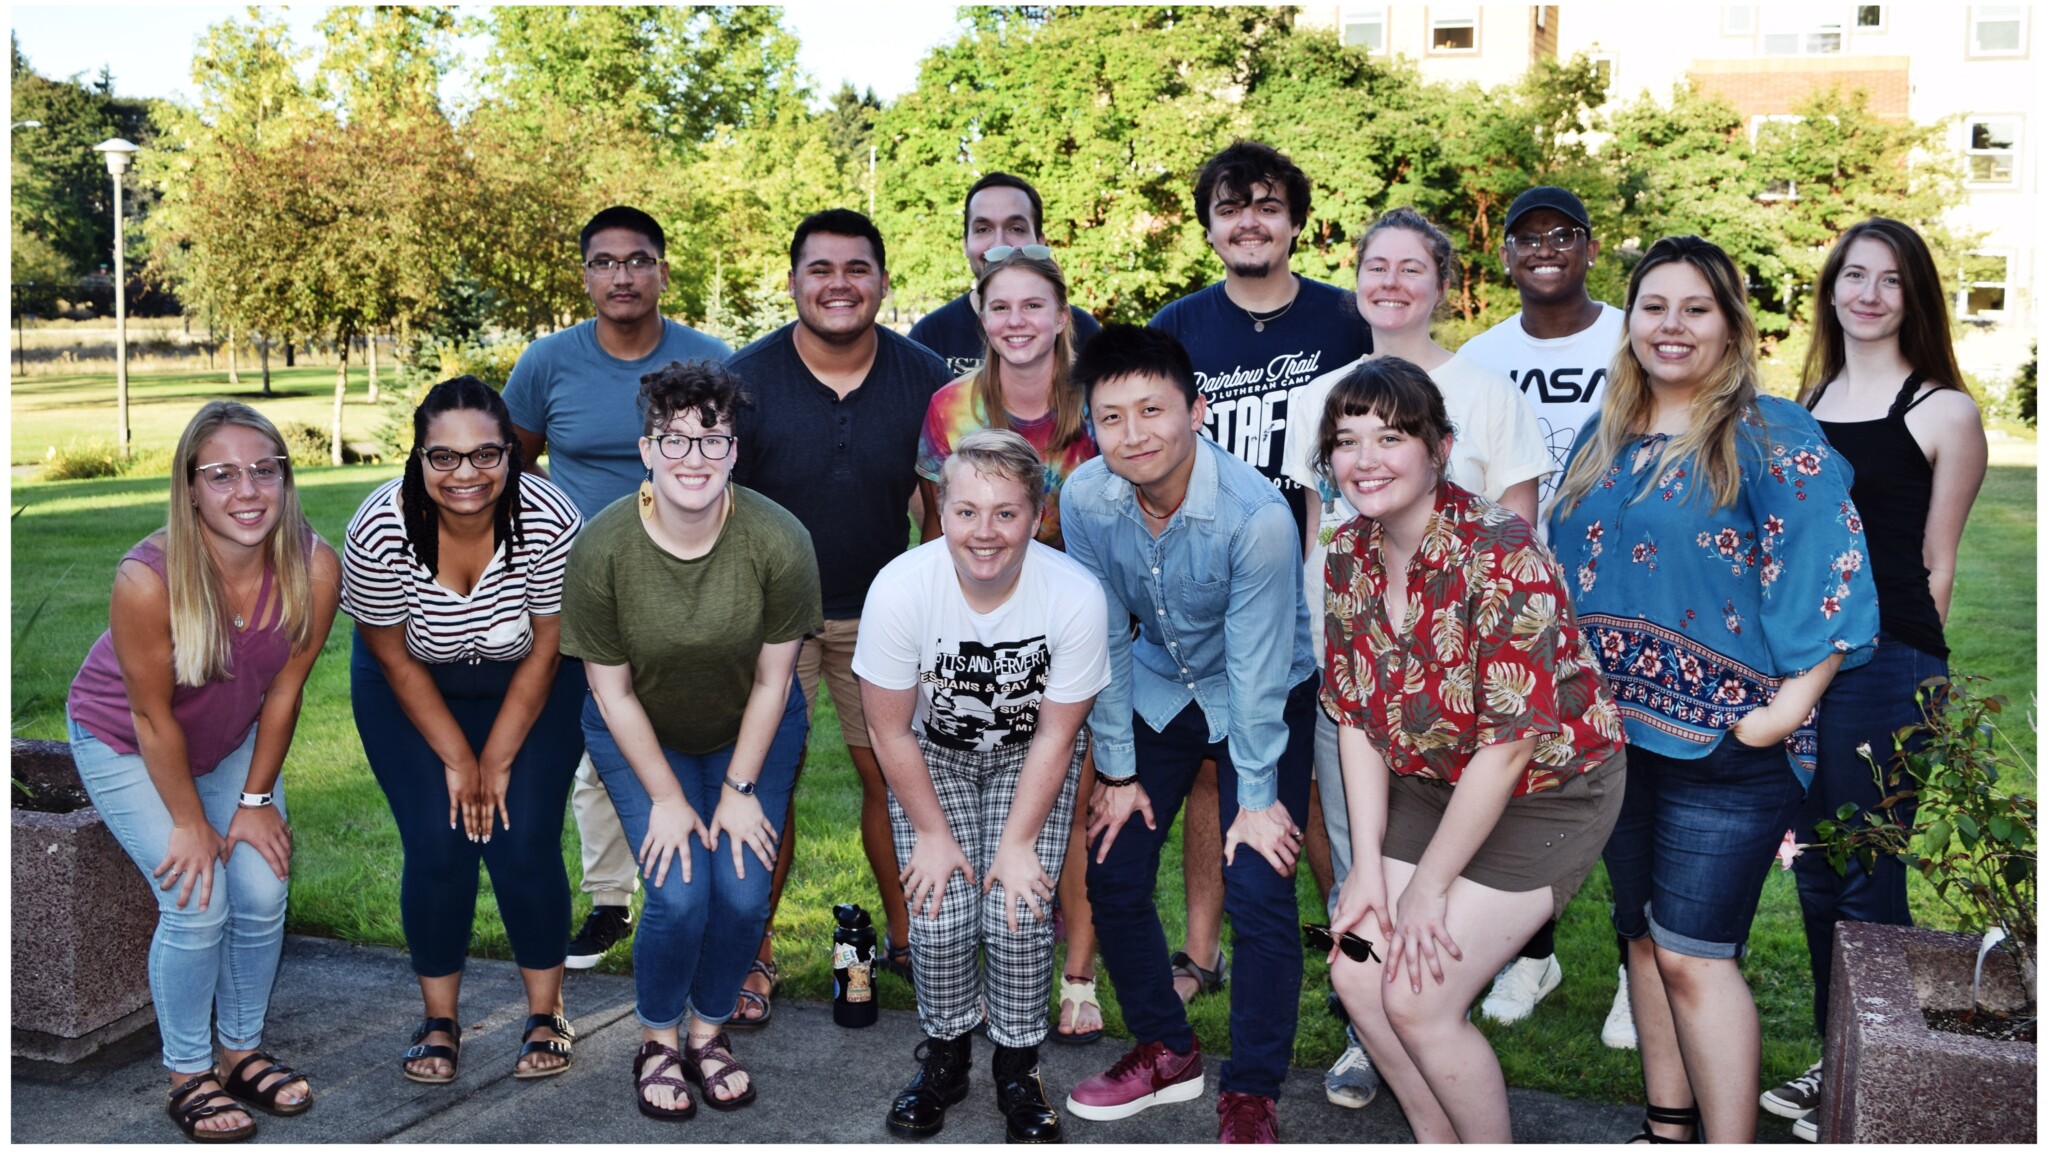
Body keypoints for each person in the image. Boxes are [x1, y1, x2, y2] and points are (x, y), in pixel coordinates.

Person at [1548, 236, 1879, 1144]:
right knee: (1645, 944)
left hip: (1725, 749)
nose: (1672, 326)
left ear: (1730, 324)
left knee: (1696, 957)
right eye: (1655, 306)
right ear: (1631, 320)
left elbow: (1832, 574)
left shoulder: (1772, 433)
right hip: (1614, 747)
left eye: (1696, 308)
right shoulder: (1601, 433)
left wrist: (1783, 713)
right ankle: (1668, 1126)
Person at [1316, 356, 1626, 1143]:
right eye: (1347, 441)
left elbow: (1512, 744)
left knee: (1419, 998)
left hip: (1548, 788)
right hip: (1430, 776)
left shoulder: (1502, 551)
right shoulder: (1349, 551)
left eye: (1390, 437)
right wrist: (1365, 866)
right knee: (1357, 973)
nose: (1366, 460)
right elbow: (1354, 714)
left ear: (1440, 448)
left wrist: (1426, 889)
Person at [1280, 206, 1549, 1106]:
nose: (1390, 282)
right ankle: (1373, 1027)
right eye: (1375, 266)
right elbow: (1323, 527)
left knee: (1435, 897)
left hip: (1475, 693)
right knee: (1361, 857)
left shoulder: (1487, 394)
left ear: (1442, 283)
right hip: (1362, 661)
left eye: (1412, 267)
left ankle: (1429, 998)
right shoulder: (1326, 397)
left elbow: (1519, 528)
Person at [1060, 324, 1319, 1143]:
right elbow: (1100, 630)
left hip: (1268, 688)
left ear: (1197, 411)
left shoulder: (1258, 516)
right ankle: (1168, 1049)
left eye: (1152, 410)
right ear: (1091, 426)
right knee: (1115, 866)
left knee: (1259, 880)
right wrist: (1119, 768)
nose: (1132, 434)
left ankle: (1253, 1090)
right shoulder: (1084, 496)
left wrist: (1255, 799)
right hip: (1162, 682)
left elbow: (1254, 674)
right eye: (1111, 417)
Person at [1763, 217, 1987, 1140]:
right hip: (1802, 666)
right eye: (1852, 276)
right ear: (1831, 290)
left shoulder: (1943, 412)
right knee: (1817, 869)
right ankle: (1843, 1055)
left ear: (1914, 296)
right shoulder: (1802, 405)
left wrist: (1902, 675)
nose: (1867, 294)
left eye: (1889, 280)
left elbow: (1937, 566)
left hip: (1889, 661)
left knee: (1862, 867)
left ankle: (1870, 1070)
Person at [65, 400, 340, 1142]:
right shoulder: (147, 580)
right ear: (190, 489)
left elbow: (286, 689)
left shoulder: (314, 567)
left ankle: (240, 1051)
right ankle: (188, 1073)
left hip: (229, 744)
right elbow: (153, 719)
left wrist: (253, 801)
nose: (246, 492)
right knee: (198, 895)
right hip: (125, 739)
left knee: (261, 882)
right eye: (221, 475)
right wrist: (190, 823)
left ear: (285, 480)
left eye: (264, 471)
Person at [1146, 138, 1372, 1030]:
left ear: (1295, 221)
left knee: (1317, 776)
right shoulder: (1181, 326)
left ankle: (1355, 942)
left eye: (1268, 205)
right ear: (1209, 227)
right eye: (1231, 207)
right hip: (1206, 577)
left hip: (1318, 580)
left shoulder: (1346, 321)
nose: (1250, 221)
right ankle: (1203, 950)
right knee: (1212, 772)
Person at [560, 359, 821, 1119]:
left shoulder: (779, 539)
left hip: (754, 728)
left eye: (713, 441)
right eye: (674, 442)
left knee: (741, 892)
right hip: (639, 729)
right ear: (645, 450)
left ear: (735, 451)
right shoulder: (603, 548)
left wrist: (739, 792)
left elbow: (778, 682)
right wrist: (668, 799)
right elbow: (607, 690)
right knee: (677, 893)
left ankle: (708, 1030)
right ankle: (656, 1038)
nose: (693, 460)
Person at [858, 429, 1111, 1142]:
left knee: (1016, 910)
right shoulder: (902, 587)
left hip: (1028, 757)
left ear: (1038, 514)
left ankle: (1017, 1066)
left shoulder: (1073, 594)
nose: (985, 532)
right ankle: (945, 1057)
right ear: (940, 507)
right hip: (931, 755)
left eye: (1006, 512)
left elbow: (1059, 734)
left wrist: (1020, 843)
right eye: (966, 511)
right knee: (937, 916)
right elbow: (889, 730)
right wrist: (934, 837)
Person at [729, 208, 954, 1010]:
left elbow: (939, 507)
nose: (838, 284)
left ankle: (908, 939)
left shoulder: (927, 376)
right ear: (792, 283)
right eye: (819, 269)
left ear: (883, 282)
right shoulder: (743, 381)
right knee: (763, 781)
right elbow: (719, 513)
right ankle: (749, 952)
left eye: (856, 269)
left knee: (894, 777)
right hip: (769, 621)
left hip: (884, 614)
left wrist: (932, 610)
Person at [504, 205, 733, 971]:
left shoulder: (709, 358)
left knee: (692, 734)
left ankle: (698, 891)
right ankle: (610, 900)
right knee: (594, 746)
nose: (623, 275)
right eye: (605, 262)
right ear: (585, 276)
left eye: (639, 260)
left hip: (689, 576)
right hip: (584, 582)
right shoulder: (548, 363)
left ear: (664, 271)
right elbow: (513, 462)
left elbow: (734, 461)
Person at [343, 377, 588, 1086]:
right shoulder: (380, 525)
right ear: (418, 457)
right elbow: (389, 653)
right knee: (438, 841)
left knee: (523, 836)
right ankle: (439, 1020)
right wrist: (459, 759)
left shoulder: (548, 517)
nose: (465, 475)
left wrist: (498, 758)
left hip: (532, 676)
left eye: (485, 454)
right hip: (410, 680)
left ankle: (547, 1013)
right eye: (442, 457)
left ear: (513, 452)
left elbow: (548, 648)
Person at [913, 246, 1110, 1045]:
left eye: (1035, 306)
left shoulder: (1099, 406)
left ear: (1063, 316)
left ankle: (1077, 975)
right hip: (981, 630)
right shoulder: (949, 408)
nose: (1018, 322)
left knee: (1078, 803)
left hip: (1085, 617)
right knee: (996, 800)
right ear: (981, 317)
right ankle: (983, 970)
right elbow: (936, 527)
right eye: (1001, 308)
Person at [1456, 184, 1635, 1047]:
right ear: (1506, 256)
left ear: (1591, 247)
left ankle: (1641, 973)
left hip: (1626, 589)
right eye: (1529, 237)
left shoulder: (1631, 337)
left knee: (1642, 780)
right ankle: (1531, 952)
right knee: (1524, 776)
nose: (1546, 248)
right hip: (1522, 598)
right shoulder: (1482, 357)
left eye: (1564, 233)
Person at [907, 171, 1103, 377]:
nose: (999, 244)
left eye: (1016, 229)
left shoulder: (1083, 331)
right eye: (983, 229)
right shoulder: (928, 337)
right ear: (965, 244)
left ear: (1040, 241)